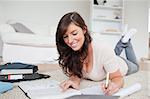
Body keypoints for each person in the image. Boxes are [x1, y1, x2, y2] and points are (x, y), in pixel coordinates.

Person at [55, 12, 139, 95]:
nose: (69, 40)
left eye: (74, 33)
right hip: (107, 59)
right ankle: (124, 40)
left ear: (84, 29)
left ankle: (125, 42)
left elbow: (117, 78)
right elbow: (76, 73)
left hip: (123, 64)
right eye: (65, 36)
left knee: (136, 66)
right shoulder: (71, 51)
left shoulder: (102, 49)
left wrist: (115, 85)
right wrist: (73, 80)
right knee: (111, 54)